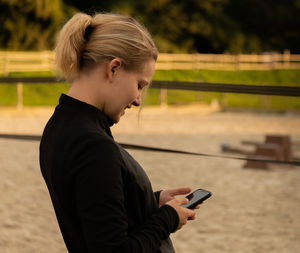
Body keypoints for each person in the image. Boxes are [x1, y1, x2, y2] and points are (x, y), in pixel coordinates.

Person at [39, 12, 199, 253]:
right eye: (139, 85)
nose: (137, 100)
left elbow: (92, 208)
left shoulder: (60, 126)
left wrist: (149, 202)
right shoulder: (94, 147)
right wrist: (167, 220)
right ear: (114, 68)